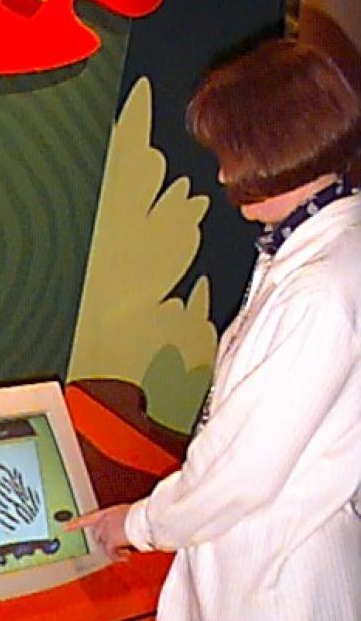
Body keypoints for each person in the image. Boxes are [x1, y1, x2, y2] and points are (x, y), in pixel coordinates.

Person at [65, 38, 361, 620]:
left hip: (275, 580)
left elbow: (241, 474)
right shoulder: (326, 248)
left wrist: (136, 523)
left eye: (231, 152)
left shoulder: (317, 291)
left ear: (271, 151)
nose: (224, 172)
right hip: (279, 559)